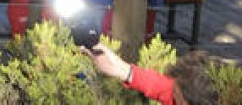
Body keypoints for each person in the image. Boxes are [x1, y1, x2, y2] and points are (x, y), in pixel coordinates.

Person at [87, 42, 218, 105]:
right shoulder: (186, 90)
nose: (172, 91)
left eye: (176, 92)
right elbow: (157, 85)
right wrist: (119, 69)